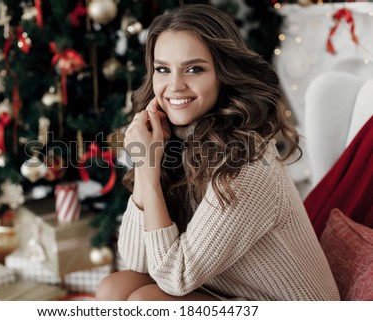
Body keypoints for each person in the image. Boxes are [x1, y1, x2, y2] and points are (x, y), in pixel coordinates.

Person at [96, 4, 340, 301]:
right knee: (114, 288)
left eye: (194, 69)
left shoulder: (247, 163)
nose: (174, 86)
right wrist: (149, 165)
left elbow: (176, 277)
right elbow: (138, 261)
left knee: (145, 302)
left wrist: (147, 167)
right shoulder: (169, 141)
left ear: (223, 74)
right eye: (163, 69)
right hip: (225, 293)